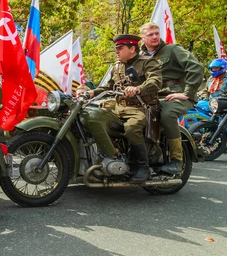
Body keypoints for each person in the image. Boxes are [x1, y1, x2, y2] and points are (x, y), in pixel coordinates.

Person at [80, 34, 162, 182]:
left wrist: (138, 89)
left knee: (131, 128)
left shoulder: (148, 62)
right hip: (119, 107)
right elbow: (108, 85)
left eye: (120, 48)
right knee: (93, 116)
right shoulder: (117, 66)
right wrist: (92, 92)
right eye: (116, 48)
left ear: (132, 49)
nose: (116, 51)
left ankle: (143, 167)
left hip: (140, 108)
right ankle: (109, 156)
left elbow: (155, 82)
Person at [140, 22, 204, 174]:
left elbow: (196, 67)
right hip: (153, 96)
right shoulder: (140, 56)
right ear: (142, 38)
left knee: (167, 115)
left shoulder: (172, 49)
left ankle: (177, 160)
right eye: (150, 34)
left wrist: (187, 92)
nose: (155, 36)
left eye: (157, 33)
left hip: (176, 95)